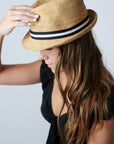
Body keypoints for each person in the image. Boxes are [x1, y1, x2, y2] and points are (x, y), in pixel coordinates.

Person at [0, 0, 114, 144]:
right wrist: (0, 31)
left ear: (72, 47)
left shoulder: (104, 100)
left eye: (48, 48)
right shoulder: (49, 70)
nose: (41, 56)